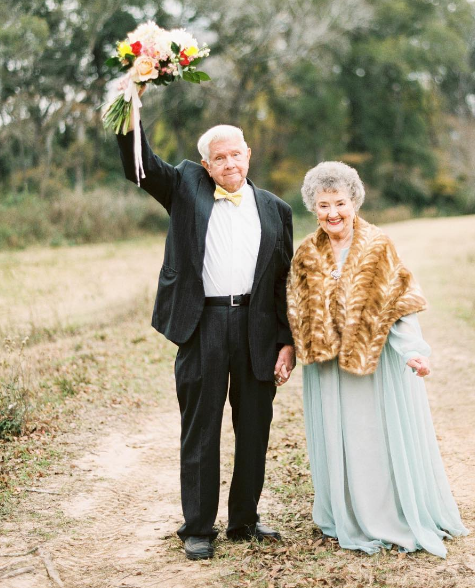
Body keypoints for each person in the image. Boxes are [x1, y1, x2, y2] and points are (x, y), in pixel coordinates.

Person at [116, 86, 295, 560]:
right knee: (201, 427)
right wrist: (128, 110)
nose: (230, 163)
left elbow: (282, 283)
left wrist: (286, 341)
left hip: (257, 327)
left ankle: (245, 520)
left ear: (248, 154)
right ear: (207, 164)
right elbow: (141, 166)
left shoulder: (278, 210)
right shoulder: (184, 187)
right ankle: (198, 526)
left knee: (255, 426)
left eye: (237, 153)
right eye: (220, 157)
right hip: (202, 325)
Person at [286, 161, 468, 558]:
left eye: (339, 203)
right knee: (338, 438)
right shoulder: (304, 253)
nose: (332, 213)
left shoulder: (377, 244)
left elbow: (399, 305)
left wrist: (414, 352)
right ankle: (346, 513)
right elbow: (296, 309)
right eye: (323, 205)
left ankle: (385, 514)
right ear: (312, 208)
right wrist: (289, 352)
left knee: (372, 438)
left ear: (354, 201)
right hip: (326, 368)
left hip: (374, 363)